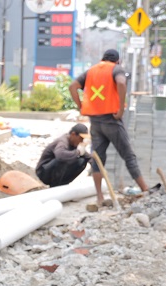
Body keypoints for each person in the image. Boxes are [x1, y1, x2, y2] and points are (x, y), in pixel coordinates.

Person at [69, 49, 150, 205]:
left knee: (98, 159)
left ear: (102, 58)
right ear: (117, 61)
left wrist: (80, 106)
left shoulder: (91, 71)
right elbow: (120, 82)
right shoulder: (116, 69)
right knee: (128, 155)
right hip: (111, 120)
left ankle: (100, 197)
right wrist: (120, 109)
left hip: (95, 122)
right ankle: (145, 190)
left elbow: (73, 86)